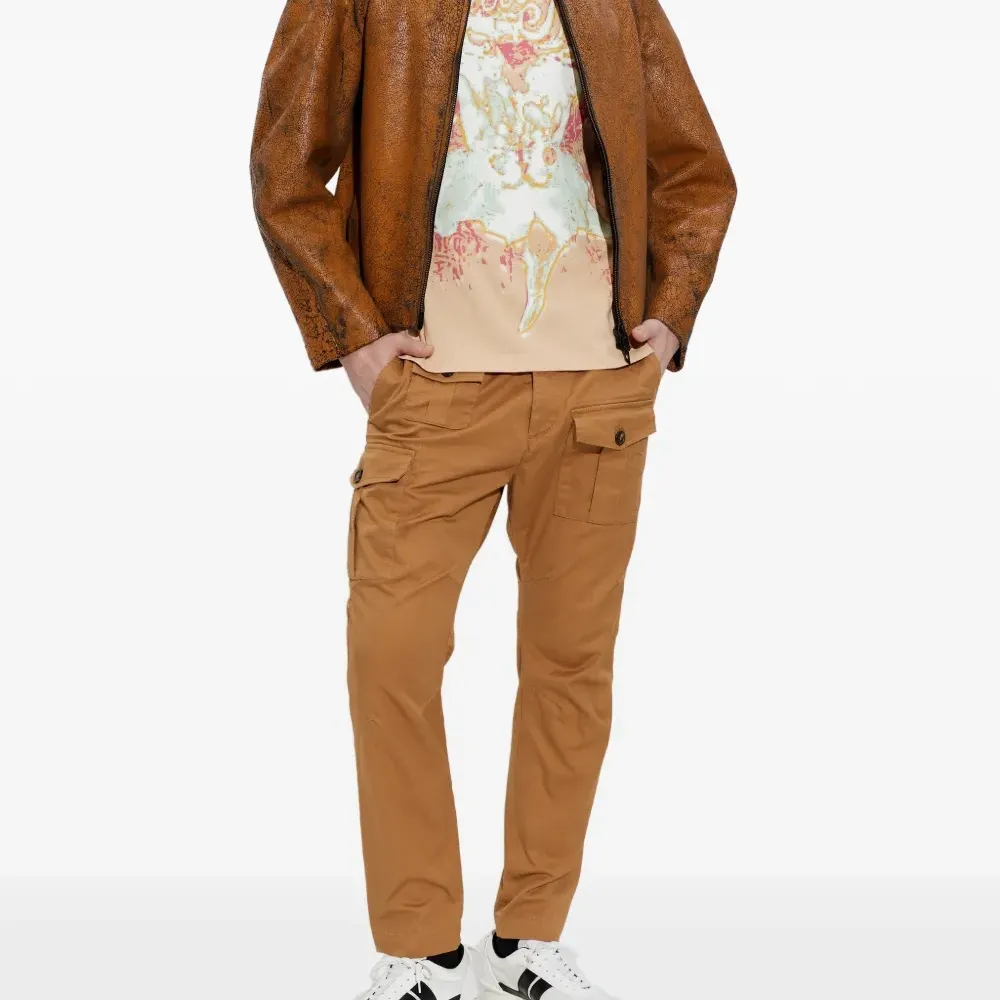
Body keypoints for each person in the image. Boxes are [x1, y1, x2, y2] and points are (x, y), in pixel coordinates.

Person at [250, 0, 735, 995]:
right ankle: (419, 947)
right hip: (432, 391)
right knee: (391, 655)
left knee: (570, 665)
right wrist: (353, 337)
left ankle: (527, 943)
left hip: (596, 392)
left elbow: (696, 169)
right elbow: (286, 171)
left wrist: (670, 314)